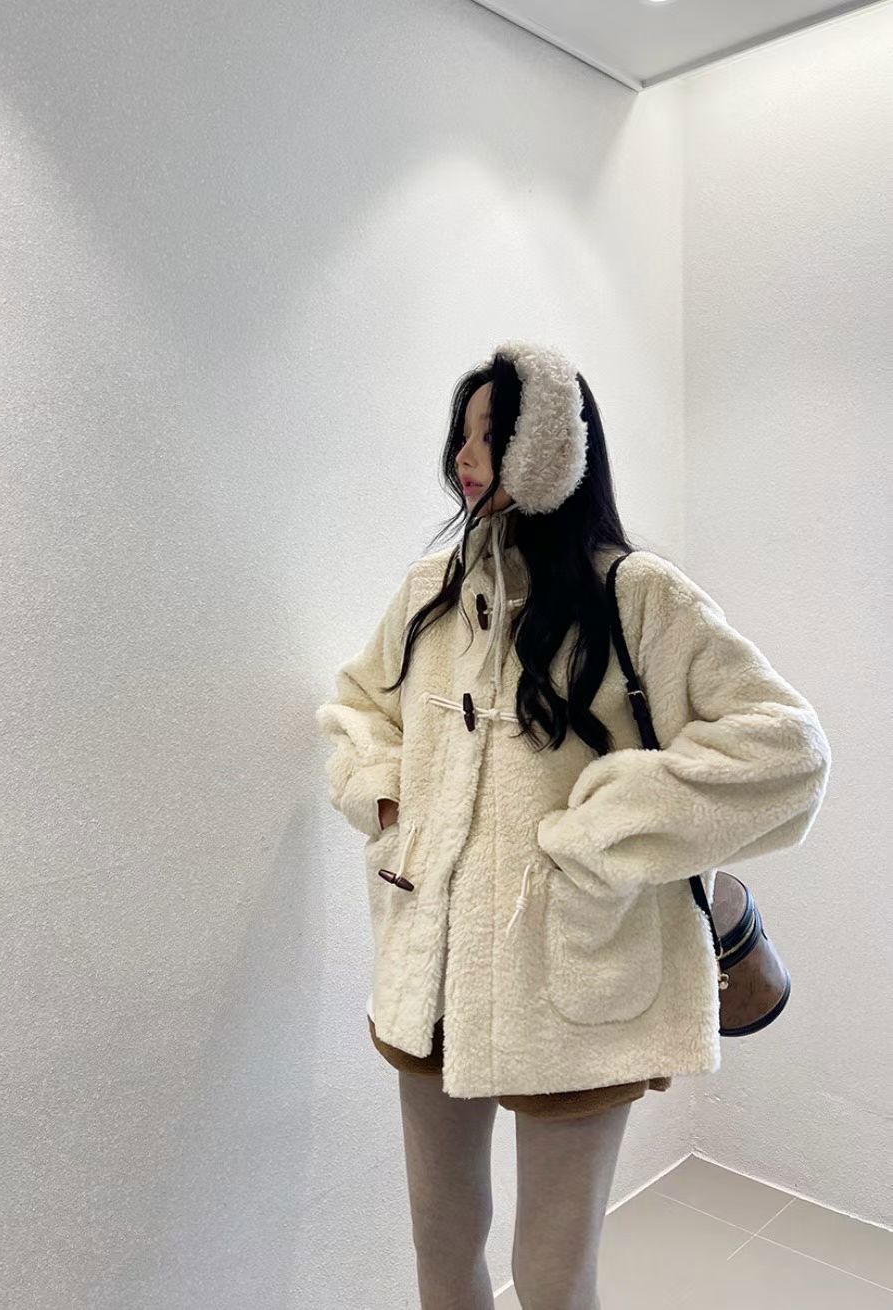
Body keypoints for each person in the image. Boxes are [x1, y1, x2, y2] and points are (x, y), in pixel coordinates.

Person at [314, 340, 832, 1309]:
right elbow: (358, 705)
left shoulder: (639, 593)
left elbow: (786, 746)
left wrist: (604, 833)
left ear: (549, 445)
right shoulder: (432, 590)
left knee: (553, 1272)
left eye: (493, 433)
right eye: (462, 433)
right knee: (441, 1236)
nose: (466, 455)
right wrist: (385, 797)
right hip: (432, 960)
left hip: (577, 970)